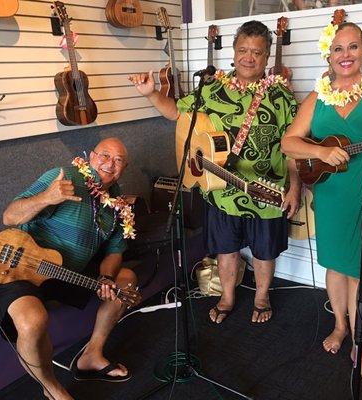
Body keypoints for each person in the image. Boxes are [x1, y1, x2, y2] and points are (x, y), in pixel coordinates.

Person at [128, 20, 301, 325]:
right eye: (243, 50)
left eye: (257, 53)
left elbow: (294, 147)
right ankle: (228, 296)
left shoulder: (282, 97)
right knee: (226, 249)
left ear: (266, 56)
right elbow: (176, 112)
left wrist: (295, 186)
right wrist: (150, 93)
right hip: (221, 190)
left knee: (264, 252)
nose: (249, 57)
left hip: (268, 190)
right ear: (234, 53)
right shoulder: (211, 88)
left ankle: (261, 297)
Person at [282, 22, 362, 389]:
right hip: (331, 193)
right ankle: (340, 326)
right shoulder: (317, 96)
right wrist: (321, 151)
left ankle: (361, 348)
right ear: (329, 54)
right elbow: (288, 143)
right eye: (338, 49)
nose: (345, 55)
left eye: (353, 47)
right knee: (336, 266)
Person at [0, 137, 142, 400]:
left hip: (66, 272)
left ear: (124, 168)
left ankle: (91, 355)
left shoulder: (118, 205)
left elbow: (115, 252)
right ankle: (52, 388)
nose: (109, 164)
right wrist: (48, 197)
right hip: (21, 266)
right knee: (32, 321)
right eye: (104, 155)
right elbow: (9, 217)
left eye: (118, 160)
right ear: (91, 157)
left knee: (124, 280)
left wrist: (106, 277)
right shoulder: (63, 178)